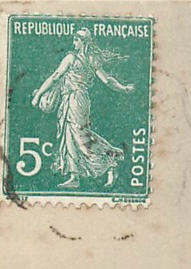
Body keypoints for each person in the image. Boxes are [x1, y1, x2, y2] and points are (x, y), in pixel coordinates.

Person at [31, 28, 134, 189]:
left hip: (73, 100)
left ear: (82, 41)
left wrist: (38, 95)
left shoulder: (71, 58)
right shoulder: (92, 59)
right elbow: (108, 80)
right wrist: (123, 88)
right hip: (80, 100)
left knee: (76, 135)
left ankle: (104, 163)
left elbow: (55, 76)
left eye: (76, 39)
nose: (74, 42)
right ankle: (80, 173)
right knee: (76, 134)